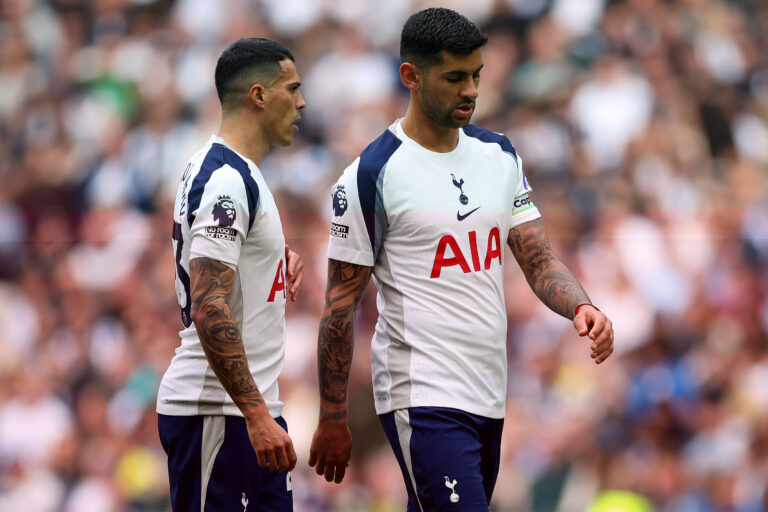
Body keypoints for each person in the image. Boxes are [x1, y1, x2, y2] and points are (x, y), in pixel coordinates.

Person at [308, 8, 614, 511]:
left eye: (476, 75)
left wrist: (581, 306)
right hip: (420, 393)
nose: (470, 89)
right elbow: (339, 307)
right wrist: (332, 415)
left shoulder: (499, 155)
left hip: (488, 390)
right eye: (454, 77)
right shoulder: (372, 173)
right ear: (411, 76)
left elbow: (537, 260)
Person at [156, 38, 306, 511]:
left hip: (246, 411)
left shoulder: (235, 172)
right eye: (293, 89)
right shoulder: (226, 178)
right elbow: (208, 303)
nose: (302, 102)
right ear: (258, 95)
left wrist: (273, 260)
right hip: (218, 412)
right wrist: (257, 413)